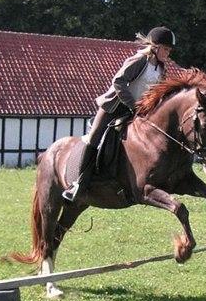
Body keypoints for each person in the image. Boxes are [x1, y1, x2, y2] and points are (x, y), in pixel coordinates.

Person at [62, 26, 177, 201]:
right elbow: (118, 82)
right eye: (166, 49)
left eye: (169, 50)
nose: (168, 54)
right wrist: (133, 105)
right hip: (113, 107)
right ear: (155, 47)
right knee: (94, 139)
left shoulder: (161, 69)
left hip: (139, 111)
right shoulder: (139, 60)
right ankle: (78, 183)